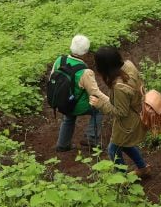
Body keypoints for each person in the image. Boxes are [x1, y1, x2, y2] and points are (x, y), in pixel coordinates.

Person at [89, 46, 152, 179]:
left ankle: (122, 179)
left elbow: (121, 112)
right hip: (138, 113)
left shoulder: (119, 87)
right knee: (124, 145)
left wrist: (100, 104)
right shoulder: (128, 66)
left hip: (128, 123)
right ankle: (143, 168)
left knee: (113, 149)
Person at [50, 34, 104, 153]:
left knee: (68, 117)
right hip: (76, 105)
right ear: (86, 52)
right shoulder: (85, 71)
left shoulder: (60, 60)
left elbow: (51, 78)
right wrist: (109, 101)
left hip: (61, 102)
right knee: (99, 110)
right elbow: (95, 92)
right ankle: (91, 138)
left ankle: (62, 144)